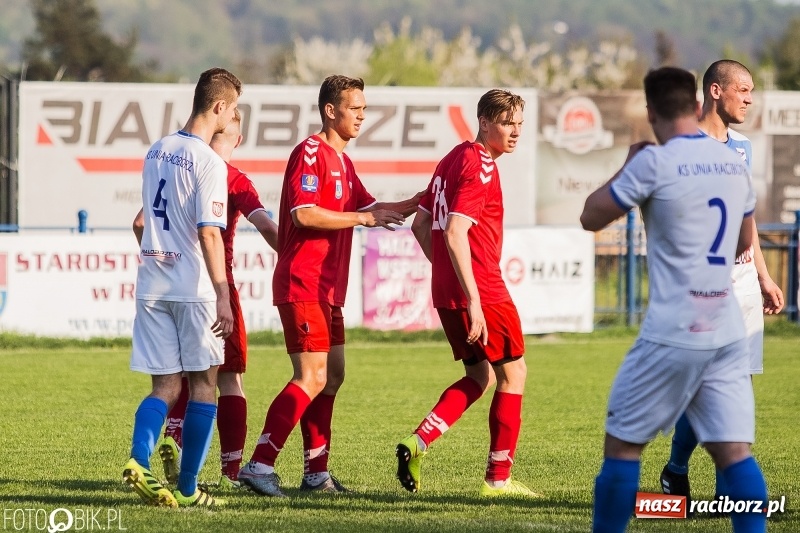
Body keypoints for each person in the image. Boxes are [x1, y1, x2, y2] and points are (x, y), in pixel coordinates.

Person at [581, 66, 767, 533]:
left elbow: (591, 217)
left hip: (675, 326)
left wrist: (631, 161)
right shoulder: (734, 163)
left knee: (623, 446)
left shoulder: (654, 160)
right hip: (725, 325)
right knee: (733, 453)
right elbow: (746, 241)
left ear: (651, 111)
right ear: (696, 104)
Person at [237, 74, 422, 497]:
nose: (361, 115)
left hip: (327, 289)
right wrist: (362, 219)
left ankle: (316, 472)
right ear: (329, 110)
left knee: (332, 375)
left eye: (363, 109)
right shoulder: (310, 152)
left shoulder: (344, 161)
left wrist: (421, 199)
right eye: (354, 108)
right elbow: (303, 214)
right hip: (304, 282)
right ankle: (259, 465)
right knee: (311, 376)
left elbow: (374, 207)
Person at [395, 89, 539, 498]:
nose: (515, 131)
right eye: (507, 122)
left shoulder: (451, 159)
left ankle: (417, 442)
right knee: (513, 374)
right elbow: (455, 231)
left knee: (480, 375)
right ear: (484, 122)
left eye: (519, 124)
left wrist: (446, 274)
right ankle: (498, 479)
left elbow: (420, 226)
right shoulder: (482, 167)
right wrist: (474, 298)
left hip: (447, 290)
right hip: (484, 290)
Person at [659, 59, 784, 508]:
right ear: (716, 91)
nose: (750, 98)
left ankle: (718, 483)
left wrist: (763, 275)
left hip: (743, 281)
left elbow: (746, 218)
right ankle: (678, 470)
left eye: (751, 91)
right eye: (743, 90)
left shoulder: (743, 148)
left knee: (738, 382)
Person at [133, 108, 279, 491]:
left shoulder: (173, 161)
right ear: (238, 138)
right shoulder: (229, 176)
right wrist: (297, 253)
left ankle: (167, 443)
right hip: (212, 285)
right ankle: (229, 473)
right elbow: (263, 224)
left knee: (172, 380)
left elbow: (140, 223)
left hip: (162, 281)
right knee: (225, 381)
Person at [122, 67, 240, 508]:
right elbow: (210, 234)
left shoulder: (156, 151)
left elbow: (139, 222)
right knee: (204, 385)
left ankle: (139, 459)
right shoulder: (210, 162)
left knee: (165, 387)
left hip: (152, 283)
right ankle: (189, 488)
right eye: (235, 109)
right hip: (193, 290)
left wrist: (159, 253)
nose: (234, 118)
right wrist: (223, 293)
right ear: (220, 107)